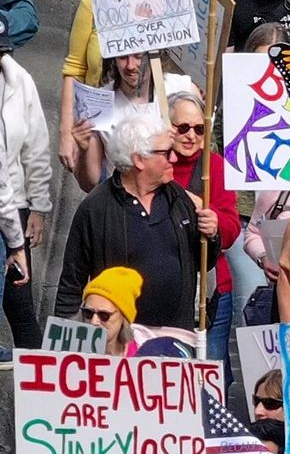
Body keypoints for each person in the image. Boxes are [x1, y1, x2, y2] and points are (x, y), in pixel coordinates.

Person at [55, 115, 214, 329]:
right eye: (166, 153)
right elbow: (71, 285)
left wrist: (211, 234)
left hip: (175, 338)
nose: (174, 159)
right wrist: (64, 348)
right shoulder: (96, 208)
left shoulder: (178, 198)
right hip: (119, 343)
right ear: (139, 159)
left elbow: (205, 261)